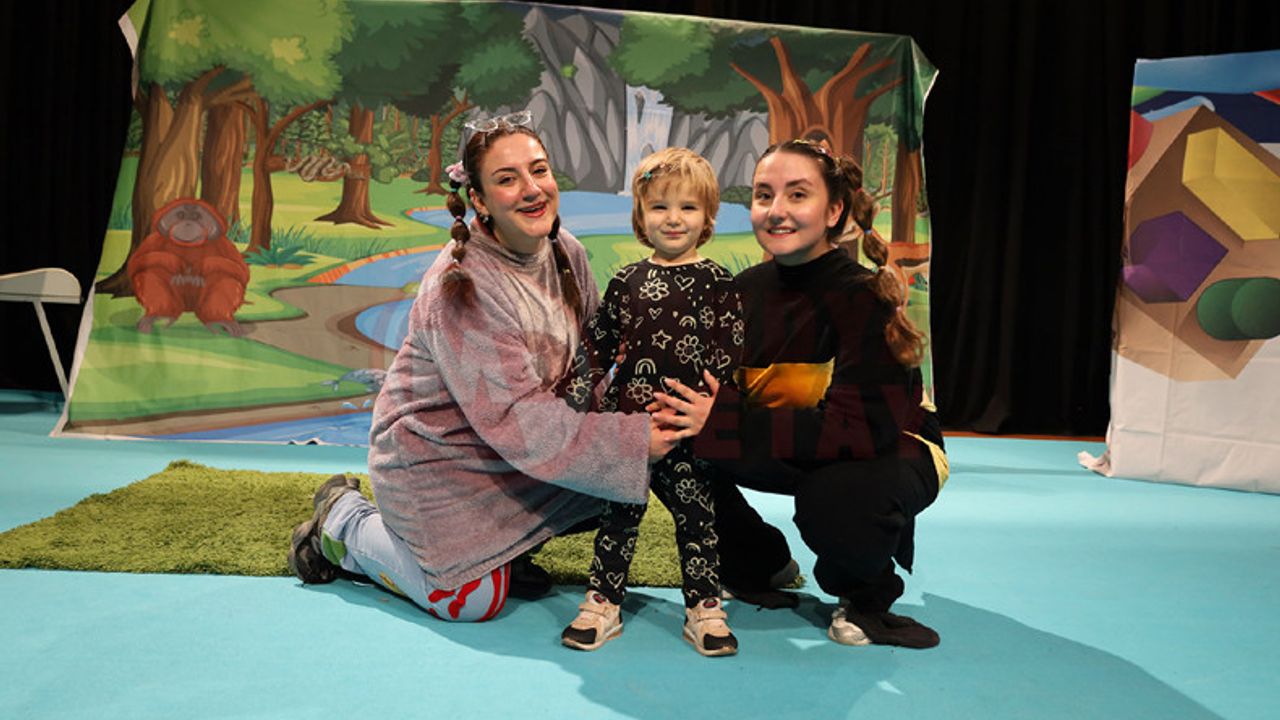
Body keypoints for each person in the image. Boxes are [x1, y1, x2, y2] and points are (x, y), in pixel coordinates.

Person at [286, 112, 708, 622]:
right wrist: (632, 441)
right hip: (438, 462)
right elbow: (518, 420)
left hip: (510, 453)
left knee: (625, 480)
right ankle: (343, 522)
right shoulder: (461, 285)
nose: (532, 189)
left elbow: (590, 370)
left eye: (539, 170)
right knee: (469, 602)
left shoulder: (566, 252)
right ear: (480, 200)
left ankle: (506, 553)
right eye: (508, 179)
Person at [690, 139, 949, 648]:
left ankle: (866, 592)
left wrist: (725, 423)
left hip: (885, 448)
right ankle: (757, 560)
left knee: (835, 497)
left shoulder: (863, 297)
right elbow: (713, 397)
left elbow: (857, 431)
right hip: (797, 437)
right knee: (671, 444)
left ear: (834, 211)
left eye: (797, 195)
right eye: (764, 195)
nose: (777, 210)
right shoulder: (741, 291)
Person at [555, 147, 743, 656]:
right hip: (629, 429)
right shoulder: (626, 281)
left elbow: (730, 356)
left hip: (686, 431)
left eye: (688, 207)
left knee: (697, 521)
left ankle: (704, 607)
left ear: (707, 217)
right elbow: (597, 346)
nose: (673, 218)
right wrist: (571, 402)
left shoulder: (719, 283)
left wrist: (715, 413)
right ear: (641, 216)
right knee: (618, 518)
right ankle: (602, 602)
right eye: (660, 206)